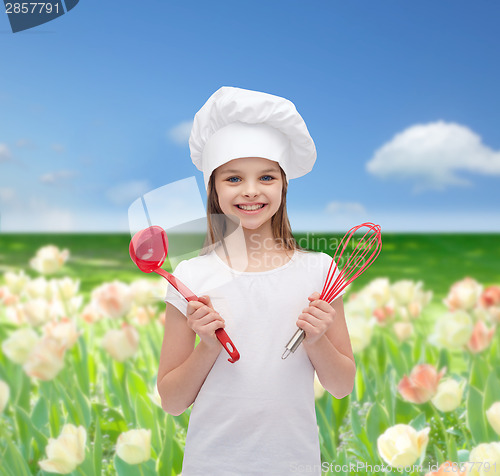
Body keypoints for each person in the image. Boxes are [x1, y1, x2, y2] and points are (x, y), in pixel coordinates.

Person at [157, 86, 356, 476]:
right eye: (233, 178)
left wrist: (316, 340)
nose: (251, 190)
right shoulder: (190, 278)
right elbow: (172, 401)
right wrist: (208, 347)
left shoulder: (320, 272)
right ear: (213, 188)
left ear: (283, 185)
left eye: (266, 176)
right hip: (210, 465)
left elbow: (342, 385)